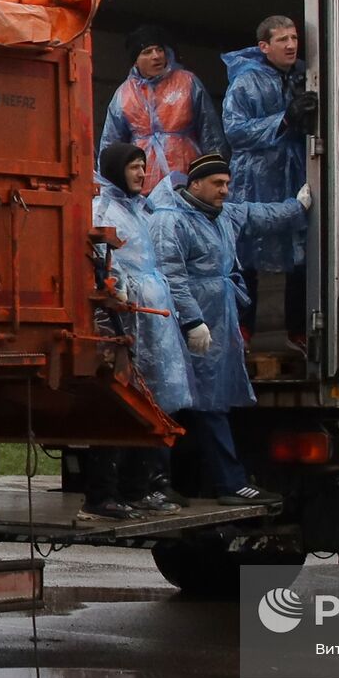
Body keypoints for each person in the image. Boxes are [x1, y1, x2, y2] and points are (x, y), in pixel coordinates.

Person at [148, 153, 311, 505]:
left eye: (227, 183)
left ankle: (225, 483)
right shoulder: (171, 221)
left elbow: (257, 214)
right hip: (180, 328)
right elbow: (171, 276)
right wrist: (191, 320)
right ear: (195, 184)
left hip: (215, 324)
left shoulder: (222, 215)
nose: (225, 190)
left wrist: (296, 207)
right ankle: (158, 484)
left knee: (211, 403)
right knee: (169, 402)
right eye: (218, 184)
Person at [79, 143, 190, 520]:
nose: (143, 174)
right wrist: (116, 295)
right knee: (119, 408)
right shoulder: (103, 209)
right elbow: (101, 261)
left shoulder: (136, 209)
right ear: (115, 170)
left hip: (149, 322)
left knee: (147, 406)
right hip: (123, 323)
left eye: (144, 167)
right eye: (134, 167)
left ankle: (136, 489)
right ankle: (101, 494)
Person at [221, 15, 318, 351]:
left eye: (293, 38)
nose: (291, 45)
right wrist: (286, 118)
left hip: (293, 171)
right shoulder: (245, 82)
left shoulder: (306, 75)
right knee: (248, 253)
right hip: (255, 176)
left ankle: (299, 329)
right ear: (264, 47)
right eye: (282, 40)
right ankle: (243, 330)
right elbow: (235, 131)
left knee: (300, 250)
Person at [99, 25, 227, 195]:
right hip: (143, 185)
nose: (156, 56)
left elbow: (211, 134)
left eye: (159, 49)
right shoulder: (124, 94)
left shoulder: (187, 82)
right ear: (135, 60)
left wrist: (216, 174)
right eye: (147, 52)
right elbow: (111, 146)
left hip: (186, 179)